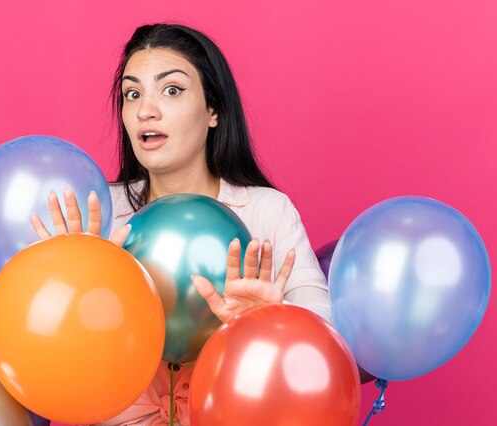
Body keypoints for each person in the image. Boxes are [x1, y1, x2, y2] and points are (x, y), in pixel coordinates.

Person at [31, 23, 330, 426]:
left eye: (171, 90)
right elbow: (48, 363)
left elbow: (329, 349)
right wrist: (68, 285)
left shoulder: (266, 212)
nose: (145, 110)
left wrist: (270, 321)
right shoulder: (98, 214)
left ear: (213, 111)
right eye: (132, 94)